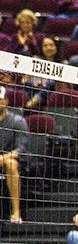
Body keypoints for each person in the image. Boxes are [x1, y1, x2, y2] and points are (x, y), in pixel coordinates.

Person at [0, 86, 27, 224]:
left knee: (10, 164)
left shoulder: (17, 121)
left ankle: (16, 211)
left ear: (6, 101)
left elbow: (21, 149)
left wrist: (3, 158)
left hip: (12, 160)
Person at [23, 37, 61, 109]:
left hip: (50, 93)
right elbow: (24, 80)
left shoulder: (62, 64)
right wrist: (35, 84)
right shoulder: (36, 60)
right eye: (45, 46)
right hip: (33, 89)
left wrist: (44, 85)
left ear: (56, 47)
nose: (48, 48)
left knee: (51, 83)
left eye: (51, 45)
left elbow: (60, 86)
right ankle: (33, 103)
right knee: (27, 84)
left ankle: (34, 102)